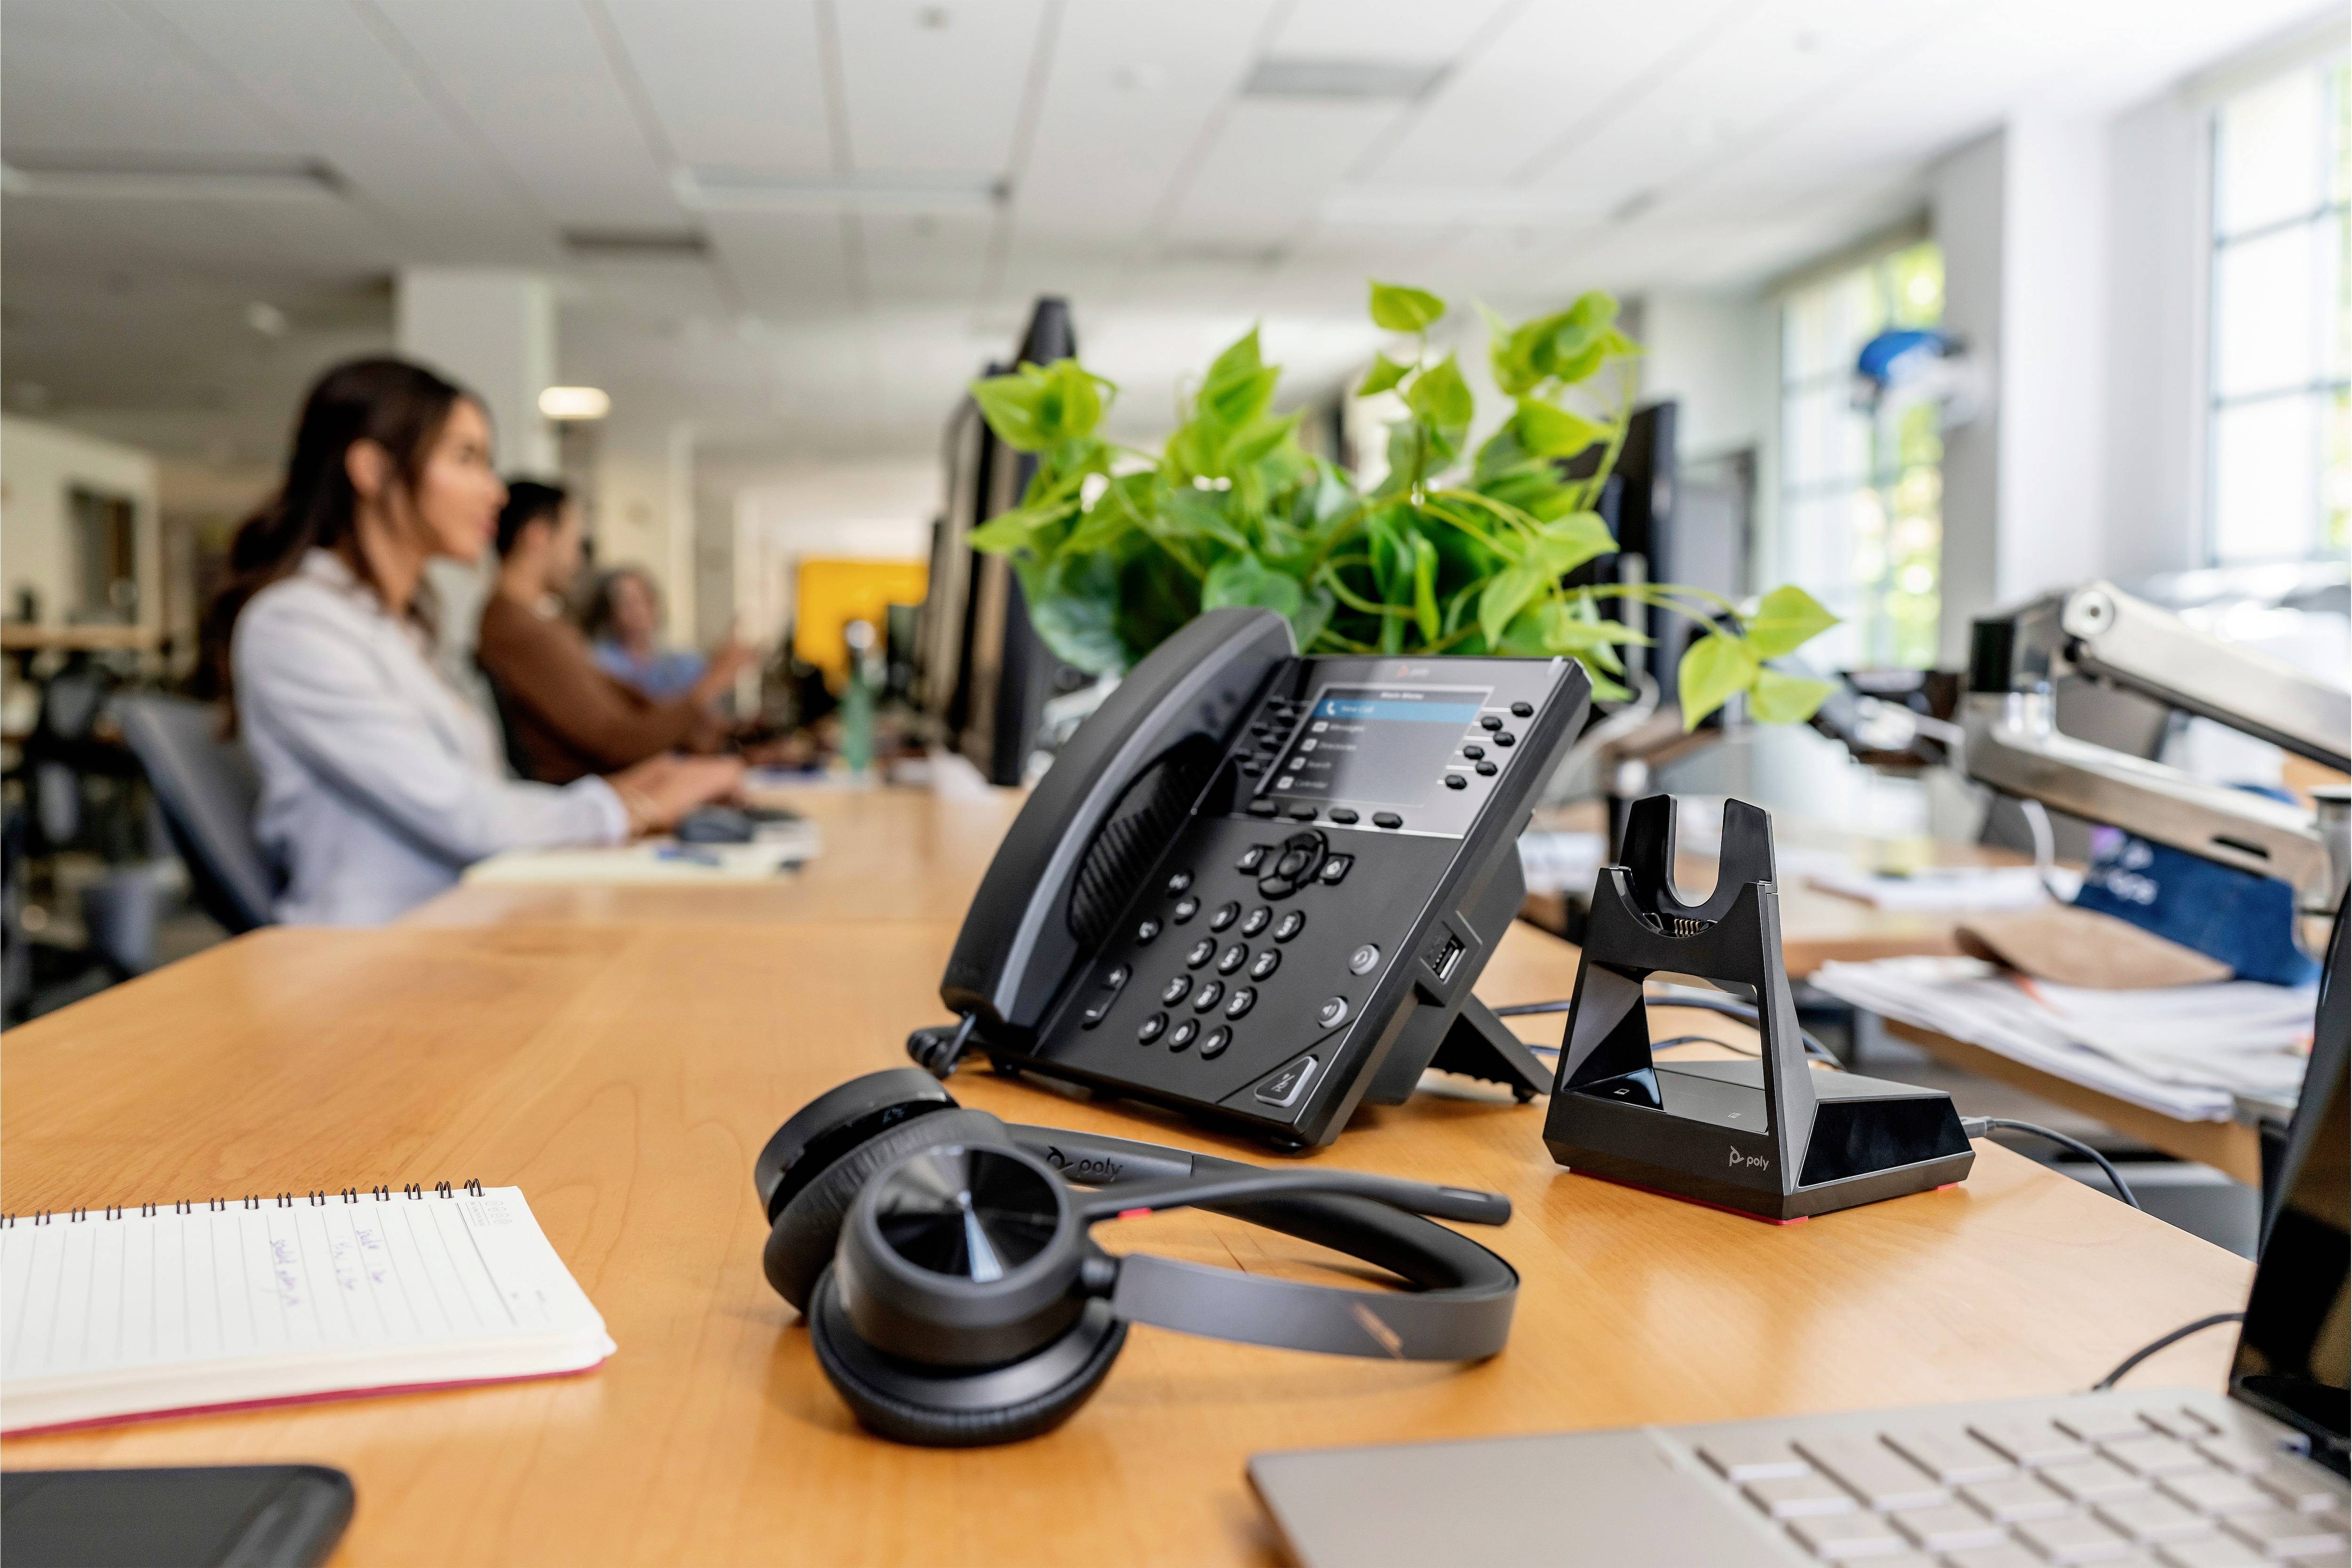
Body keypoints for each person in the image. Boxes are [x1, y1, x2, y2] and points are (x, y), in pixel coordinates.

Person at [200, 357, 741, 925]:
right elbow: (459, 813)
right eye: (466, 459)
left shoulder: (399, 628)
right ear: (372, 469)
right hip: (367, 960)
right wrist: (632, 805)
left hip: (453, 926)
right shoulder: (295, 625)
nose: (495, 492)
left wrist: (632, 791)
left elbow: (476, 797)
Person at [477, 482, 753, 784]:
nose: (579, 560)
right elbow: (617, 741)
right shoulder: (519, 629)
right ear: (539, 537)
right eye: (574, 544)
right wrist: (710, 685)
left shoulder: (542, 622)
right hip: (595, 803)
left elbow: (626, 712)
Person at [584, 567, 707, 700]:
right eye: (628, 603)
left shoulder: (686, 664)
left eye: (646, 599)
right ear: (608, 612)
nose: (639, 610)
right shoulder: (598, 663)